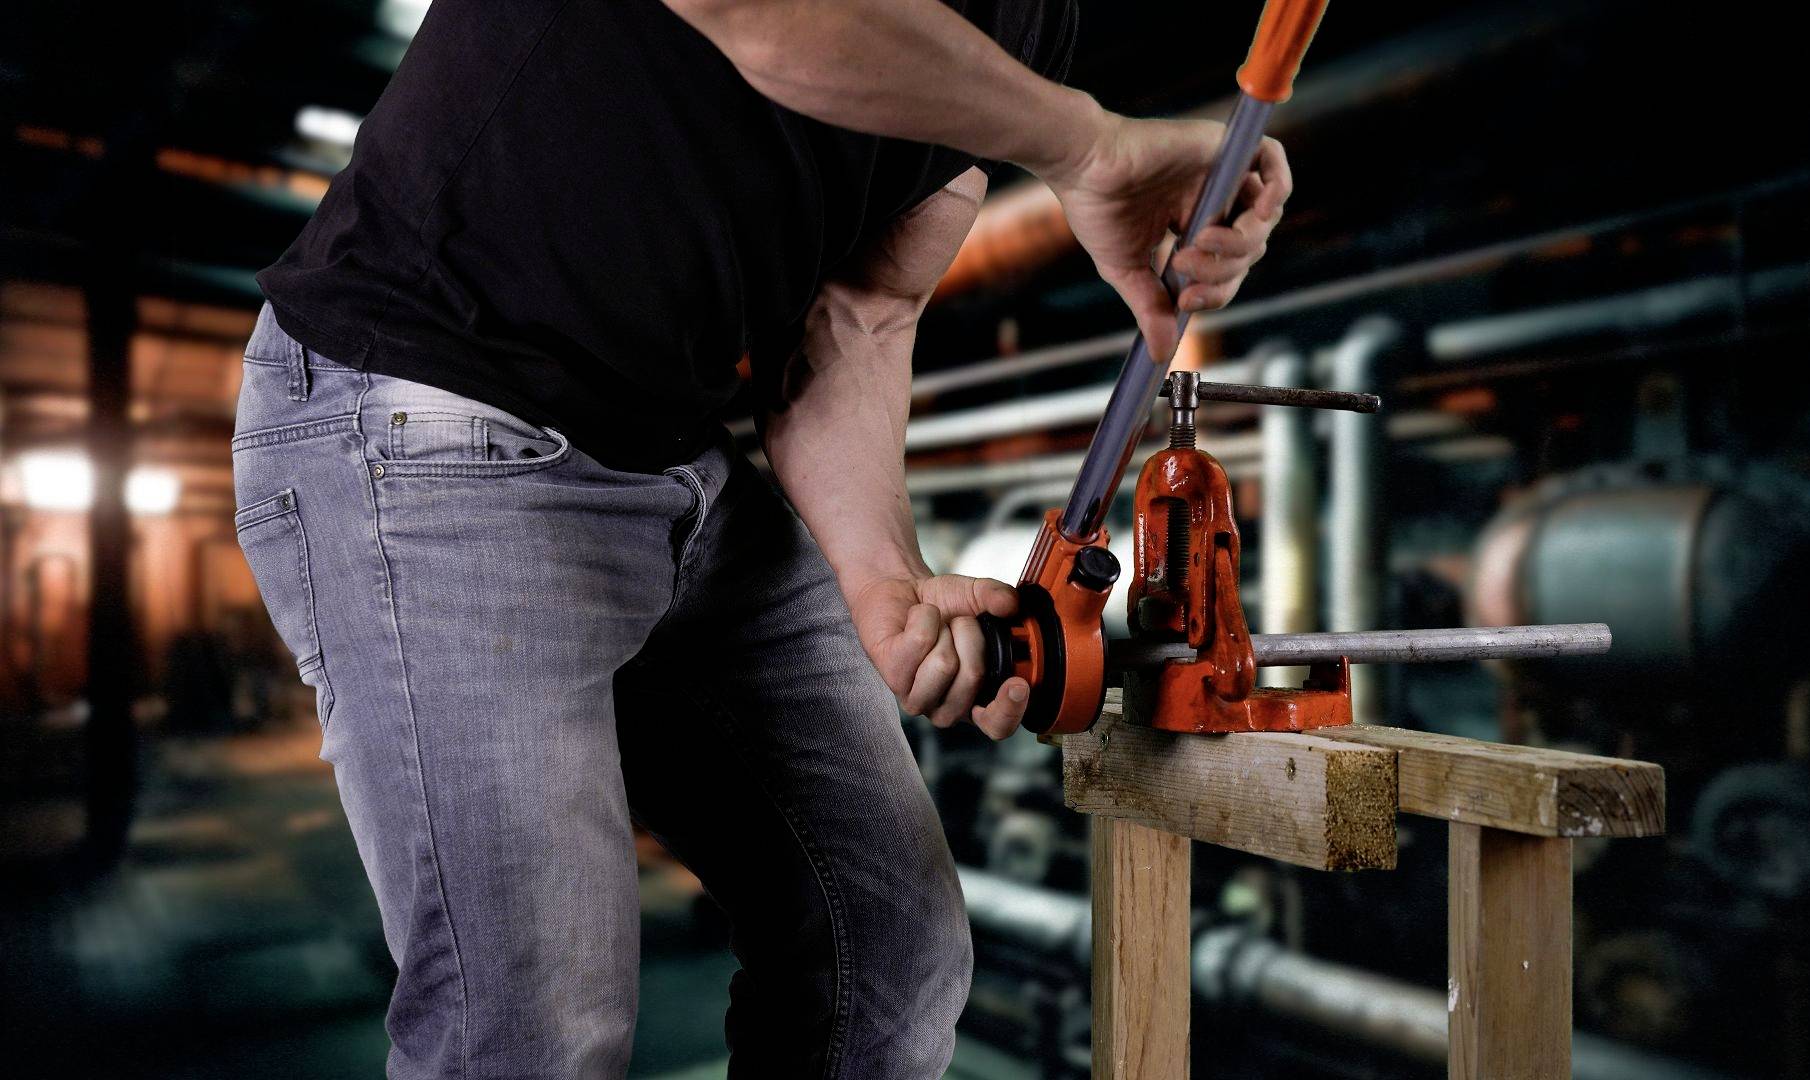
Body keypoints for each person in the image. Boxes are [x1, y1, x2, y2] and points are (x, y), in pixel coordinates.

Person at [232, 0, 1290, 1076]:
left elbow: (866, 306)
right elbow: (768, 14)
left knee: (885, 951)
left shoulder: (1039, 19)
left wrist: (884, 576)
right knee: (531, 1029)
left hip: (665, 456)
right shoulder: (1050, 95)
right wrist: (1088, 145)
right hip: (426, 409)